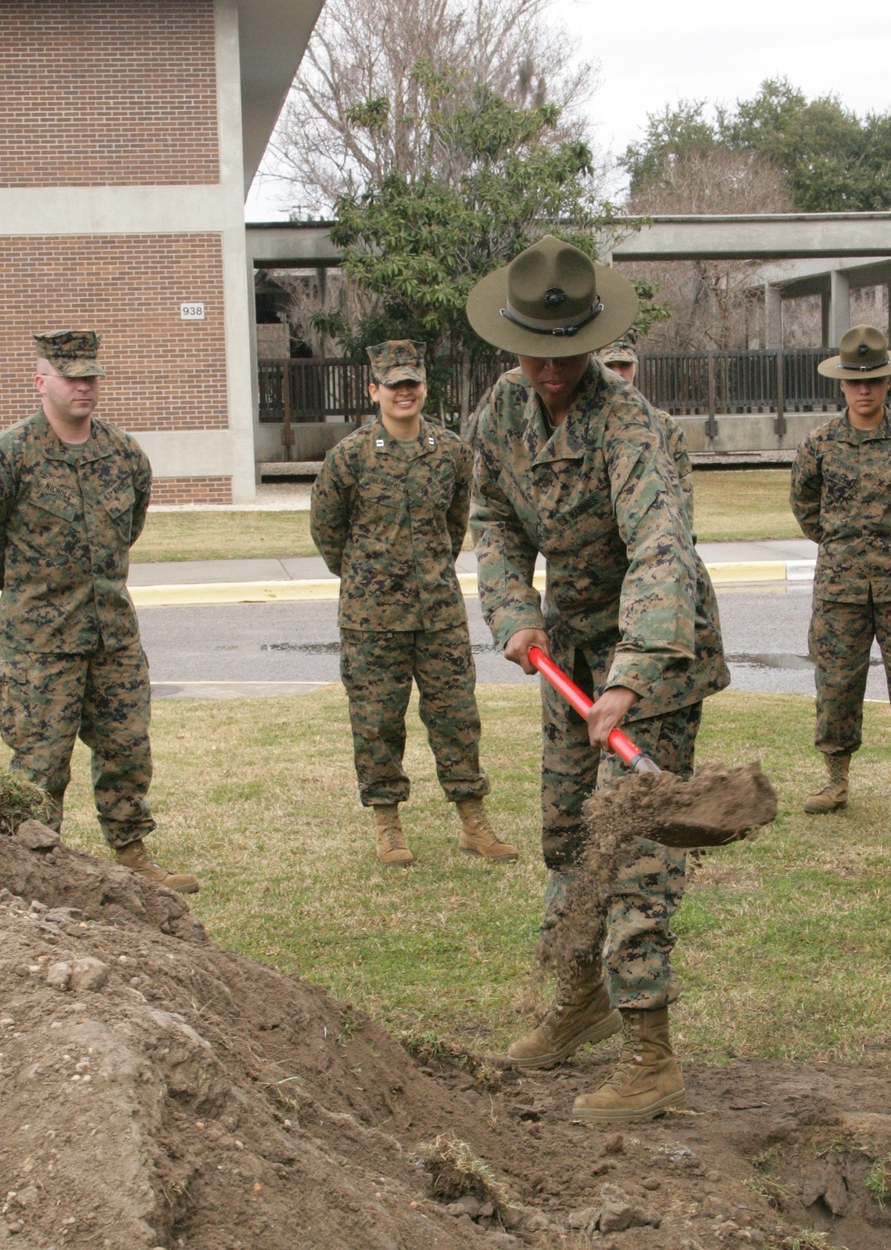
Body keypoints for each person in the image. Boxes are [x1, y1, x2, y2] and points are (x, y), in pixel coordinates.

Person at [466, 236, 729, 1123]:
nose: (550, 367)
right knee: (568, 839)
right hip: (568, 656)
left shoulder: (630, 427)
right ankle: (579, 1005)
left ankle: (651, 1056)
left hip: (653, 662)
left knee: (631, 849)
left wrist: (630, 678)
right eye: (536, 348)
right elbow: (493, 517)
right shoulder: (501, 410)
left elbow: (664, 551)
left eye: (567, 350)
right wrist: (513, 611)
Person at [0, 329, 198, 892]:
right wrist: (21, 589)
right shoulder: (8, 455)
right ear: (42, 382)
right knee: (40, 763)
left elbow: (128, 529)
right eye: (71, 376)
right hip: (39, 642)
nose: (84, 386)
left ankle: (132, 853)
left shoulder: (123, 454)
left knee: (127, 749)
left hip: (111, 634)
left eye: (91, 376)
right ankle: (35, 868)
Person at [309, 340, 517, 867]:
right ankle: (388, 826)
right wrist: (365, 578)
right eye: (393, 384)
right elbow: (327, 533)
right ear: (373, 389)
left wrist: (426, 572)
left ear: (424, 387)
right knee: (377, 721)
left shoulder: (450, 452)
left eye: (413, 383)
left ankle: (473, 822)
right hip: (371, 620)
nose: (404, 392)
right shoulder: (348, 457)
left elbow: (455, 523)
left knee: (457, 717)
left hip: (439, 615)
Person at [790, 324, 891, 820]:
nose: (864, 389)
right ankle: (836, 783)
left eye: (874, 380)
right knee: (836, 683)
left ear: (888, 384)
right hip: (840, 589)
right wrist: (845, 550)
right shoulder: (819, 444)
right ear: (841, 384)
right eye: (855, 381)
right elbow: (805, 507)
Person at [597, 337, 694, 528]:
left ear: (635, 368)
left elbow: (682, 496)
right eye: (610, 365)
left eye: (624, 365)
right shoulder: (580, 427)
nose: (618, 372)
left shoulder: (664, 427)